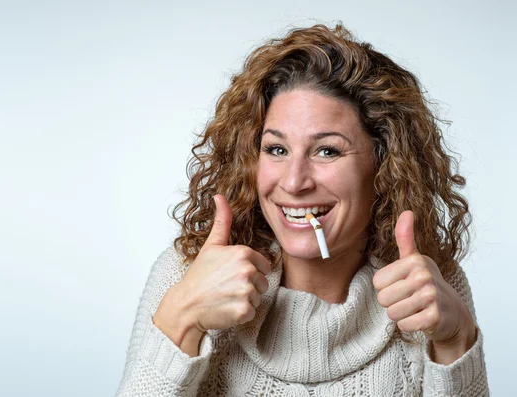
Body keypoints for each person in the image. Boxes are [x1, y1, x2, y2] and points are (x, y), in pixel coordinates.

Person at [116, 23, 489, 396]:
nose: (294, 183)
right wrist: (181, 318)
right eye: (276, 150)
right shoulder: (186, 275)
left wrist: (456, 340)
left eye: (327, 151)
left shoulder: (425, 289)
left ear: (384, 165)